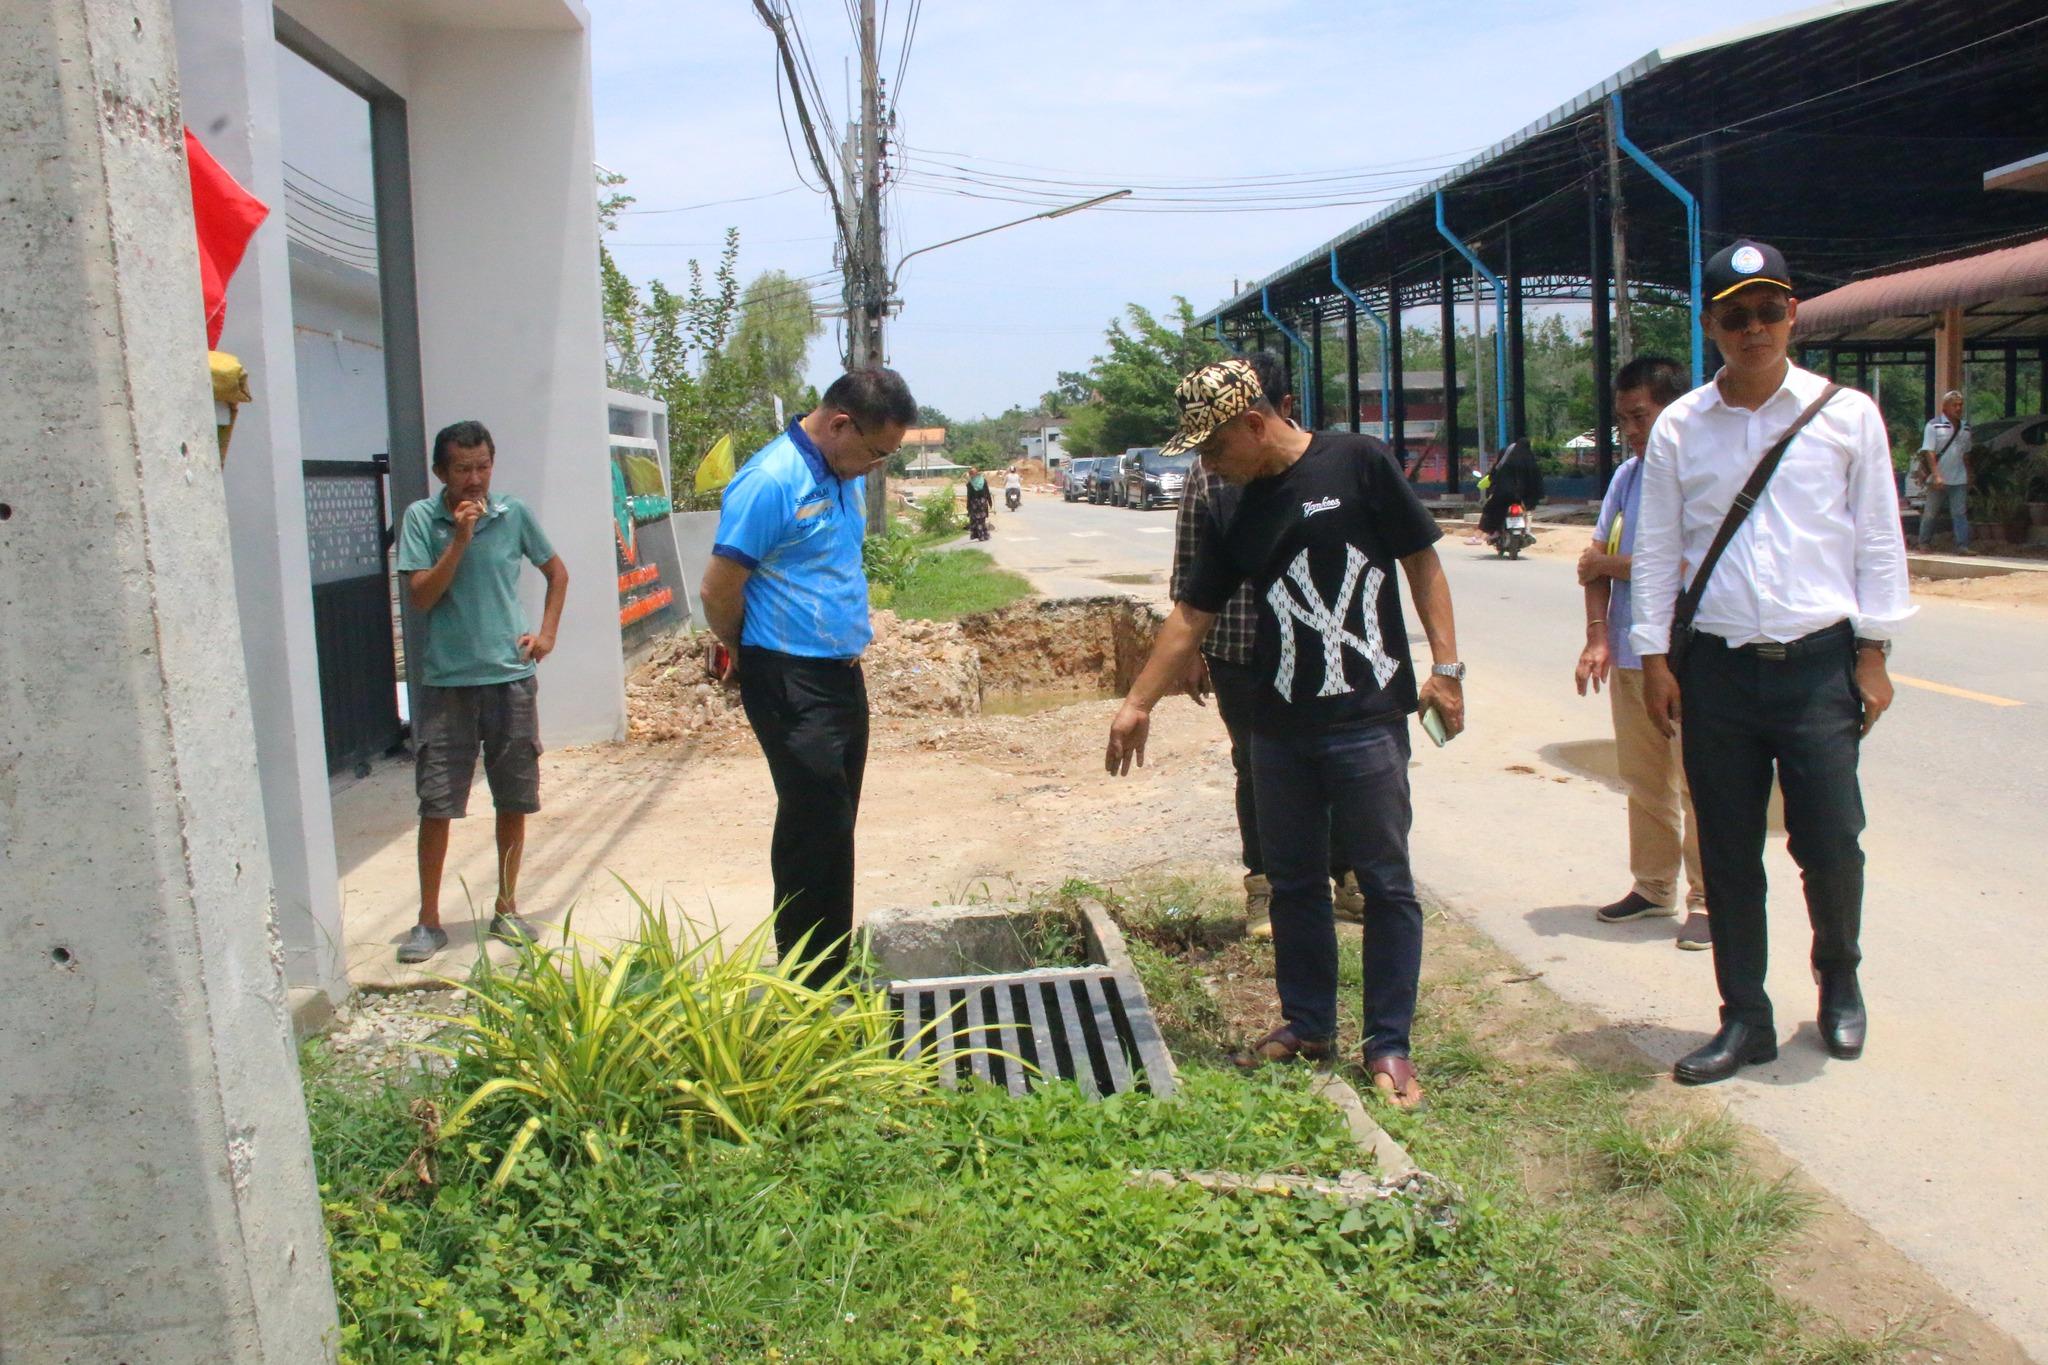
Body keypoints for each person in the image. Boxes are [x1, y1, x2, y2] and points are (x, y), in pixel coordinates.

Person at [1108, 358, 1465, 1108]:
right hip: (1276, 728)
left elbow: (1421, 561)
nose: (1208, 465)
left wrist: (1446, 667)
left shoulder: (1358, 462)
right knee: (1295, 883)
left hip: (1365, 720)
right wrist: (1139, 702)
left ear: (1254, 423)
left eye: (1214, 447)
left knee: (1385, 884)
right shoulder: (1234, 505)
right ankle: (1308, 1024)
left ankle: (1389, 1044)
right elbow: (1192, 613)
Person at [1634, 239, 1910, 1085]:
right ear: (1710, 325)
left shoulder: (1846, 415)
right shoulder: (1681, 426)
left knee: (1831, 840)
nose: (1753, 328)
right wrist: (1654, 657)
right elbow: (1657, 549)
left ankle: (1839, 979)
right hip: (1716, 670)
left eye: (1767, 310)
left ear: (1792, 313)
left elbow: (1877, 539)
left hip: (1818, 666)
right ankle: (1745, 1018)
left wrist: (1873, 653)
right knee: (1727, 851)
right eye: (1734, 315)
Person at [698, 368, 914, 985]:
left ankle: (829, 968)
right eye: (877, 453)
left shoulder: (842, 473)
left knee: (834, 823)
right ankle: (807, 980)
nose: (877, 466)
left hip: (842, 676)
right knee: (812, 826)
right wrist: (743, 651)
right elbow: (718, 589)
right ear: (841, 425)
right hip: (788, 677)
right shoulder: (771, 481)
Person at [1169, 350, 1368, 937]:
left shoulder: (1327, 466)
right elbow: (1189, 563)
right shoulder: (1210, 469)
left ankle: (1348, 876)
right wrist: (1189, 653)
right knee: (1255, 766)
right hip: (1239, 647)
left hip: (1314, 651)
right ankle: (1265, 887)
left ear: (1277, 410)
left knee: (1335, 761)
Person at [393, 420, 569, 964]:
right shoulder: (422, 519)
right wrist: (460, 540)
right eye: (463, 469)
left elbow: (557, 573)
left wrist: (546, 635)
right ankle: (428, 921)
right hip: (447, 683)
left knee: (512, 797)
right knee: (437, 802)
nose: (474, 479)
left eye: (483, 466)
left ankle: (507, 907)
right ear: (441, 472)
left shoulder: (513, 514)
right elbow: (421, 597)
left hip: (509, 678)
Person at [1574, 355, 1710, 949]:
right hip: (1631, 654)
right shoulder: (1626, 479)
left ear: (1675, 411)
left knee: (1700, 780)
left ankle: (1708, 899)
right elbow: (1591, 562)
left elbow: (1686, 568)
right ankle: (1654, 886)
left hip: (1688, 658)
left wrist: (1610, 565)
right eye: (1623, 420)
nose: (1631, 430)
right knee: (1644, 778)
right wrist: (1597, 636)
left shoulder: (1700, 477)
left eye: (1641, 416)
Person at [1914, 389, 1974, 554]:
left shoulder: (1965, 428)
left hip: (1959, 477)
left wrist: (1969, 473)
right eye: (1954, 405)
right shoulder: (1933, 426)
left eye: (1960, 405)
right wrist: (1936, 475)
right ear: (1945, 407)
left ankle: (1962, 545)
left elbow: (1966, 453)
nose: (1958, 408)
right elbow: (1929, 451)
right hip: (1939, 478)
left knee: (1959, 513)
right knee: (1931, 512)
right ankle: (1924, 543)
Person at [1477, 439, 1543, 535]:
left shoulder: (1506, 457)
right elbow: (1536, 481)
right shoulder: (1529, 459)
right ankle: (1527, 531)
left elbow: (1496, 471)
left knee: (1491, 508)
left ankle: (1490, 532)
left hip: (1504, 494)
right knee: (1527, 511)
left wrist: (1492, 481)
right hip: (1523, 496)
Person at [965, 469, 992, 540]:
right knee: (982, 519)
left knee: (976, 519)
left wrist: (968, 506)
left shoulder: (970, 483)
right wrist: (990, 501)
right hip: (983, 502)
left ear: (971, 475)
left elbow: (969, 496)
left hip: (975, 503)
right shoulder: (983, 481)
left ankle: (980, 536)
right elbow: (987, 492)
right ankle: (985, 535)